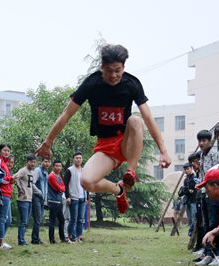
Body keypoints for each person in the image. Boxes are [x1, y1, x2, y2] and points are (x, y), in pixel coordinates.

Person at [36, 44, 171, 214]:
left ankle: (130, 172)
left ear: (123, 67)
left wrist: (163, 150)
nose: (114, 75)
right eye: (109, 70)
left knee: (136, 120)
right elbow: (66, 114)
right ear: (102, 67)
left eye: (118, 70)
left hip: (126, 141)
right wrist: (48, 142)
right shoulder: (92, 83)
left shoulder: (132, 84)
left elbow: (149, 118)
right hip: (106, 147)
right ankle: (119, 190)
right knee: (86, 181)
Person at [195, 130, 219, 266]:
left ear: (210, 141)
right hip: (203, 192)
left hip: (213, 193)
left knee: (213, 223)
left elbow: (217, 173)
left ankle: (215, 254)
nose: (201, 143)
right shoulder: (201, 155)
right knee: (206, 223)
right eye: (199, 141)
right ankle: (207, 253)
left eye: (204, 140)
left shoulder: (214, 154)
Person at [14, 154, 38, 246]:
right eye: (31, 162)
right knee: (23, 221)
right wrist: (20, 189)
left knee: (26, 221)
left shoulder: (31, 172)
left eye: (34, 162)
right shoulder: (23, 170)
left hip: (29, 199)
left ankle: (22, 239)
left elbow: (31, 185)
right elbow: (15, 177)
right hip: (23, 199)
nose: (33, 163)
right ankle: (21, 240)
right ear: (27, 162)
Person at [64, 152, 87, 243]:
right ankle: (70, 237)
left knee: (81, 219)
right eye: (77, 158)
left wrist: (87, 197)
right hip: (73, 197)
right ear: (73, 159)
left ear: (82, 159)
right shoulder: (69, 170)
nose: (78, 159)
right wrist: (67, 196)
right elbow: (65, 184)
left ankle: (79, 236)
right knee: (73, 219)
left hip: (83, 197)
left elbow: (87, 184)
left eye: (80, 158)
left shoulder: (84, 170)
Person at [0, 144, 13, 249]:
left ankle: (1, 240)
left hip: (8, 193)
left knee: (8, 220)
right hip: (2, 193)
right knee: (2, 219)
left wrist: (9, 179)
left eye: (8, 151)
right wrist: (10, 179)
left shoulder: (5, 163)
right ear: (0, 151)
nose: (6, 152)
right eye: (4, 150)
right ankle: (0, 242)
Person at [31, 157, 50, 244]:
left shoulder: (46, 172)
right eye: (45, 161)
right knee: (38, 219)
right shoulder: (37, 170)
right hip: (36, 197)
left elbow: (45, 187)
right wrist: (39, 192)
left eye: (48, 162)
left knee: (39, 219)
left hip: (42, 199)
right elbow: (32, 183)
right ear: (41, 162)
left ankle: (36, 238)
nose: (47, 163)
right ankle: (35, 239)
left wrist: (45, 199)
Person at [47, 160, 66, 244]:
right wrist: (61, 188)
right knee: (52, 221)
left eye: (60, 166)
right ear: (53, 166)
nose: (58, 168)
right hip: (53, 201)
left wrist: (61, 188)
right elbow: (58, 188)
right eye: (57, 166)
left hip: (59, 201)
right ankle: (52, 240)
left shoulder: (59, 176)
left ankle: (62, 238)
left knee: (62, 220)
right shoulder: (51, 176)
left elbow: (64, 187)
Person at [178, 163, 198, 237]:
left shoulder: (195, 178)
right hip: (187, 201)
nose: (186, 171)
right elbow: (185, 191)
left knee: (194, 219)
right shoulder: (186, 179)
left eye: (187, 169)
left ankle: (193, 234)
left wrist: (187, 190)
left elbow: (193, 191)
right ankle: (191, 234)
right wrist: (187, 190)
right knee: (189, 220)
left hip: (194, 201)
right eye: (185, 169)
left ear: (191, 168)